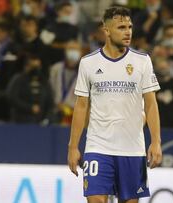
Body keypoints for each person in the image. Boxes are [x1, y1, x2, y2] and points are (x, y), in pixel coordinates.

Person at [67, 6, 162, 203]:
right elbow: (81, 106)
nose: (128, 32)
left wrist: (156, 142)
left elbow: (151, 104)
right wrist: (73, 147)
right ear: (106, 30)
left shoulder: (142, 61)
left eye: (129, 26)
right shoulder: (88, 63)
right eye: (121, 27)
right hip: (98, 146)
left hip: (132, 149)